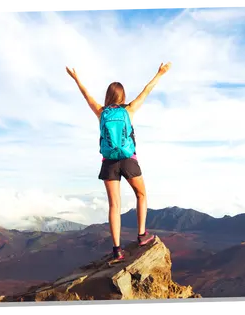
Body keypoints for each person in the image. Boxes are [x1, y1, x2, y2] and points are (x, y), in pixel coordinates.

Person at [66, 62, 172, 263]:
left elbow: (86, 94)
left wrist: (76, 78)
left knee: (114, 205)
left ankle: (117, 250)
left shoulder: (101, 112)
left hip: (109, 163)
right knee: (141, 194)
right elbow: (146, 91)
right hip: (128, 159)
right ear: (122, 96)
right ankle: (142, 235)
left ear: (108, 96)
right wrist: (160, 73)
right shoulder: (129, 110)